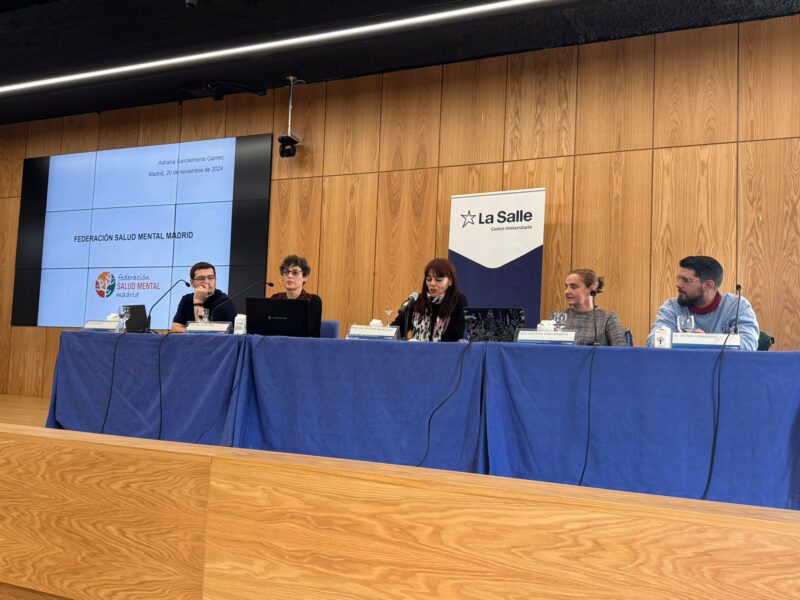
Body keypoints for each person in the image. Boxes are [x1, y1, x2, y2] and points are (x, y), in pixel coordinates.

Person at [646, 256, 759, 350]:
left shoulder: (737, 306)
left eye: (686, 280)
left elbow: (748, 345)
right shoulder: (671, 307)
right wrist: (693, 341)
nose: (678, 284)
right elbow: (655, 342)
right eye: (679, 278)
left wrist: (706, 342)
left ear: (708, 285)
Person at [394, 258, 468, 342]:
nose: (432, 283)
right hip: (416, 352)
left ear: (450, 281)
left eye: (438, 280)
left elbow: (456, 336)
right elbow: (396, 329)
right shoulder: (417, 301)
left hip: (445, 353)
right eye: (429, 279)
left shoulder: (458, 301)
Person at [555, 268, 628, 346]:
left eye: (573, 287)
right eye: (566, 287)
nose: (566, 291)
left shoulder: (608, 319)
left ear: (592, 289)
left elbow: (622, 351)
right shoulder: (558, 317)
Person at [171, 261, 236, 332]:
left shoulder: (225, 302)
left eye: (210, 278)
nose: (207, 282)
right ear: (192, 283)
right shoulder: (186, 299)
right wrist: (193, 333)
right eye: (201, 278)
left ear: (215, 280)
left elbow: (204, 334)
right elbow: (175, 329)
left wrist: (198, 302)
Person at [270, 255, 322, 338]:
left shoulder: (313, 301)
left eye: (295, 272)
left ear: (305, 277)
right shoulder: (275, 298)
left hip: (301, 347)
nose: (289, 276)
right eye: (286, 272)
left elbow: (313, 336)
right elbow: (269, 329)